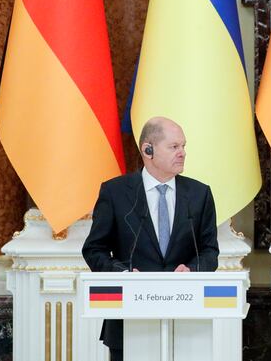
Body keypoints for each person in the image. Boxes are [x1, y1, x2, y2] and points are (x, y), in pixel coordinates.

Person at [82, 117, 219, 361]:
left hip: (186, 321)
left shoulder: (199, 194)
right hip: (128, 319)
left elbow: (209, 251)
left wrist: (193, 269)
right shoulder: (115, 192)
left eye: (184, 146)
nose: (182, 153)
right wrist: (122, 274)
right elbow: (94, 249)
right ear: (148, 150)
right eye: (174, 146)